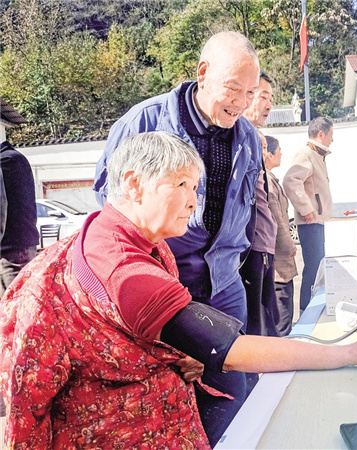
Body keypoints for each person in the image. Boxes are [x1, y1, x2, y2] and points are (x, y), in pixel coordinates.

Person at [0, 132, 357, 449]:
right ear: (134, 184)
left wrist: (178, 352)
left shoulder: (125, 236)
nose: (193, 201)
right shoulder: (125, 269)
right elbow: (231, 351)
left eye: (195, 188)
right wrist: (349, 354)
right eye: (181, 185)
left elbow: (155, 334)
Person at [92, 31, 263, 434]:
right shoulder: (143, 123)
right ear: (203, 73)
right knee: (168, 406)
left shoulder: (248, 138)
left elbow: (247, 211)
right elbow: (108, 209)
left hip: (224, 287)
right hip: (162, 288)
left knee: (231, 399)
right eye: (233, 89)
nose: (242, 103)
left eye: (251, 92)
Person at [240, 73, 279, 337]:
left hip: (264, 242)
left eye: (271, 98)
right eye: (263, 96)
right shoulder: (236, 136)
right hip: (250, 247)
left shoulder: (254, 136)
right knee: (254, 323)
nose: (269, 105)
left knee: (266, 317)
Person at [283, 116, 334, 312]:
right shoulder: (306, 153)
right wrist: (306, 209)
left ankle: (313, 308)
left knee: (318, 267)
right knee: (313, 268)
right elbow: (290, 181)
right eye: (331, 134)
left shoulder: (316, 154)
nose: (332, 139)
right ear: (321, 134)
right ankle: (306, 310)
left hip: (318, 221)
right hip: (311, 222)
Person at [264, 135, 298, 336]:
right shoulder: (268, 181)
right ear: (269, 155)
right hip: (278, 255)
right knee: (282, 309)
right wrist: (289, 246)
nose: (281, 154)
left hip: (277, 254)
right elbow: (277, 219)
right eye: (279, 151)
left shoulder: (271, 179)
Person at [0, 140, 39, 298]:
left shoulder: (5, 161)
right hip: (19, 247)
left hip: (12, 251)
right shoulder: (14, 157)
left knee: (15, 303)